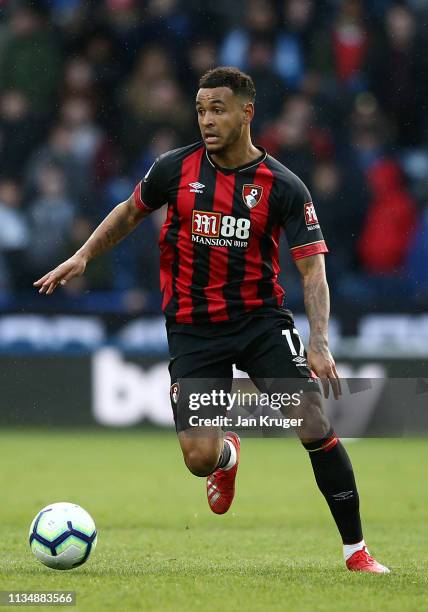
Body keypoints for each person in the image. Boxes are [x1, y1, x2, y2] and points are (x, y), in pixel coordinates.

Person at [34, 66, 389, 573]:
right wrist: (85, 255)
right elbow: (129, 212)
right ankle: (227, 457)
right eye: (200, 110)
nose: (206, 120)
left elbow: (313, 270)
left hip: (261, 321)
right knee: (198, 458)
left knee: (313, 423)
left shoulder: (283, 185)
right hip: (193, 328)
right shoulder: (173, 169)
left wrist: (320, 340)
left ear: (247, 113)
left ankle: (356, 552)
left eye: (217, 109)